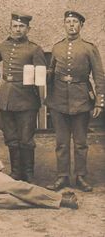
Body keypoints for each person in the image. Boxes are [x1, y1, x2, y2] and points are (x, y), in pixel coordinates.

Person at [45, 11, 105, 192]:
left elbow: (99, 76)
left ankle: (80, 176)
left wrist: (99, 101)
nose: (71, 25)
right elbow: (51, 71)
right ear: (64, 25)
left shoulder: (89, 48)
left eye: (75, 22)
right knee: (61, 142)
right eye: (68, 22)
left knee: (80, 142)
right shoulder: (57, 48)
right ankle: (62, 177)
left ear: (81, 25)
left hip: (81, 100)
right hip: (58, 101)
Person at [0, 13, 47, 182]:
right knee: (11, 137)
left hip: (26, 99)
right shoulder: (3, 46)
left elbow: (41, 75)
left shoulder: (34, 48)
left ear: (28, 29)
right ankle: (16, 172)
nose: (17, 29)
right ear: (10, 28)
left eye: (21, 26)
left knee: (26, 139)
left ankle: (29, 173)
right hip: (6, 98)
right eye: (15, 26)